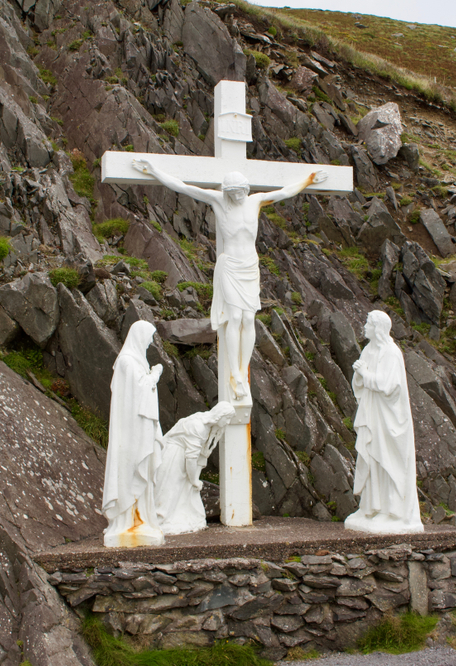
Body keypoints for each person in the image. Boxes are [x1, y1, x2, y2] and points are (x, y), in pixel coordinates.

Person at [131, 159, 326, 400]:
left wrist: (308, 180)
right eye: (232, 194)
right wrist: (155, 170)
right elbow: (182, 187)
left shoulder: (255, 201)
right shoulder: (218, 200)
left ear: (246, 190)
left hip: (250, 266)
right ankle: (235, 371)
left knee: (248, 318)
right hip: (231, 266)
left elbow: (284, 192)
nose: (236, 198)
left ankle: (243, 369)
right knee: (235, 317)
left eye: (240, 193)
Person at [345, 310, 424, 534]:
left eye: (368, 323)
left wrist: (365, 374)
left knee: (386, 461)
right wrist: (359, 375)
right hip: (373, 413)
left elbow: (388, 385)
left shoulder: (391, 353)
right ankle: (370, 507)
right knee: (371, 457)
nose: (364, 326)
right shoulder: (369, 350)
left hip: (389, 419)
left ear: (378, 328)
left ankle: (392, 511)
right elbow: (360, 384)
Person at [102, 321, 165, 547]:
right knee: (130, 471)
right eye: (148, 337)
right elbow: (140, 391)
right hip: (130, 432)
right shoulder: (127, 362)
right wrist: (156, 374)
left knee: (142, 473)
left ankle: (143, 518)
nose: (150, 342)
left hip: (140, 428)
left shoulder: (136, 361)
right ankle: (127, 520)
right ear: (139, 336)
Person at [154, 401, 235, 535]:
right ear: (219, 416)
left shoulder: (209, 426)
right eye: (227, 419)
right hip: (173, 456)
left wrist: (194, 479)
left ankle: (180, 518)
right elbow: (191, 458)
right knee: (169, 490)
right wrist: (194, 480)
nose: (227, 422)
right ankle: (161, 520)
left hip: (183, 457)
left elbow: (200, 456)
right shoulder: (198, 426)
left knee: (184, 493)